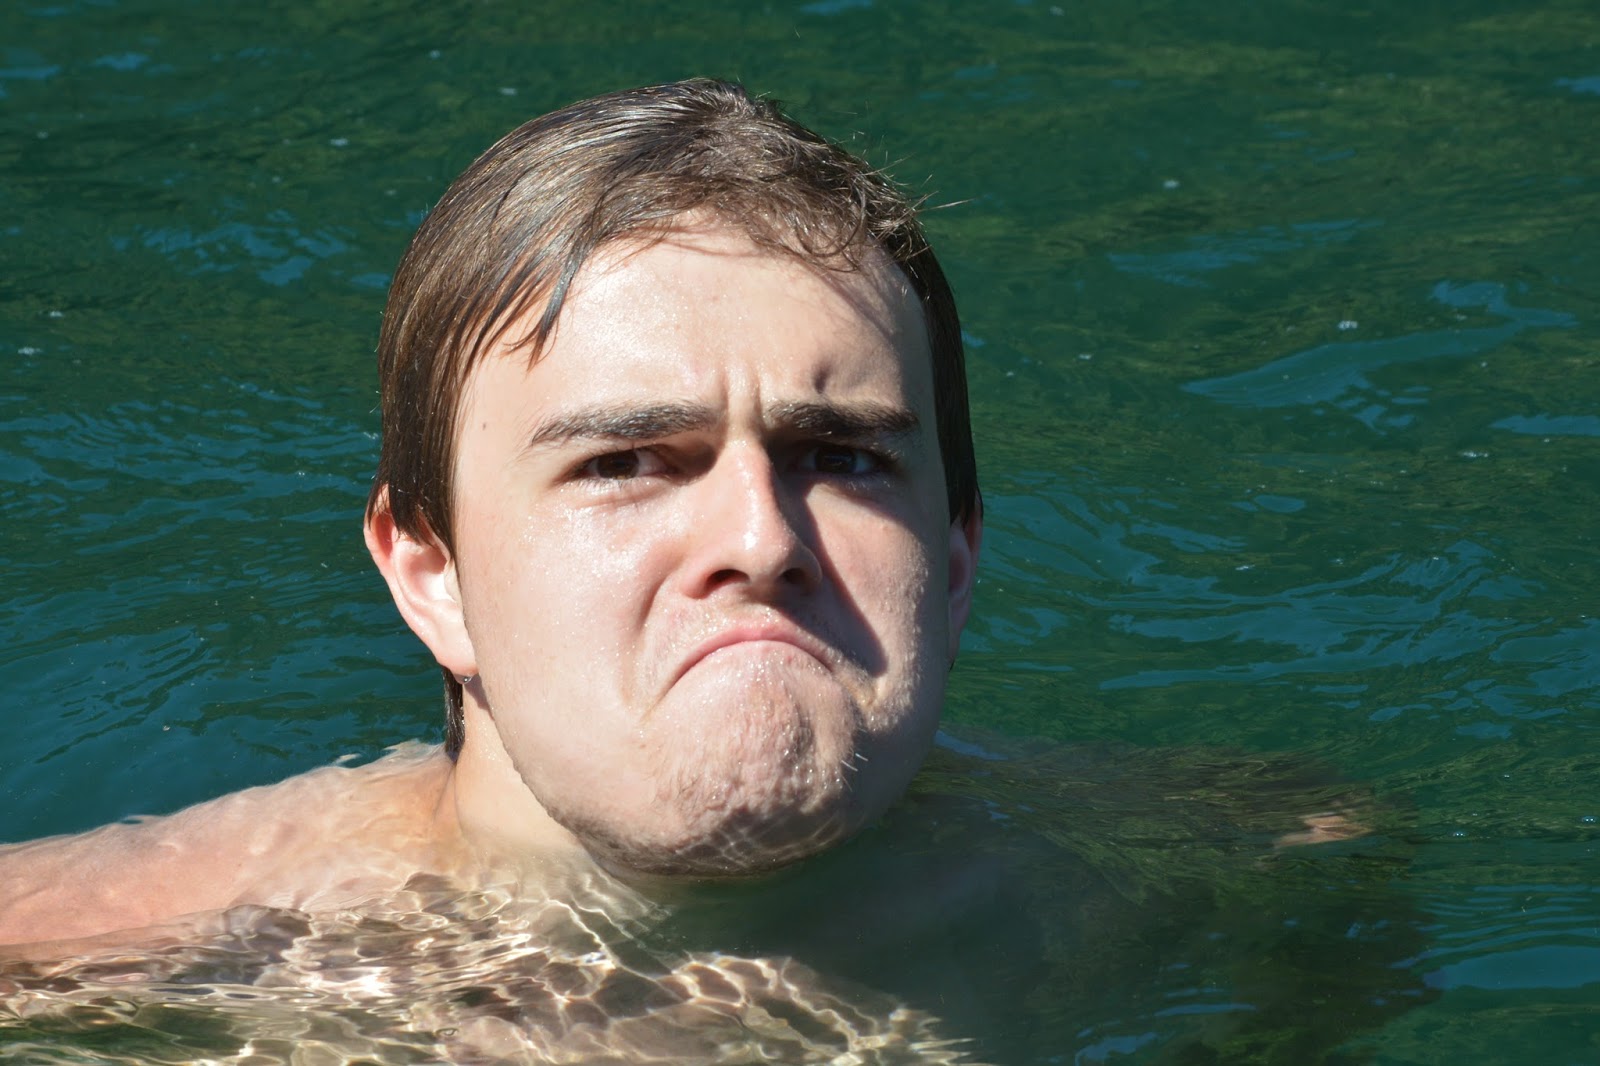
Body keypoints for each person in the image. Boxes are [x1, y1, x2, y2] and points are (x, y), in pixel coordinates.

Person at [0, 78, 982, 949]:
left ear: (953, 566)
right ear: (433, 575)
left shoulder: (1073, 891)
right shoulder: (102, 958)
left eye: (842, 459)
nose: (760, 541)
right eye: (622, 463)